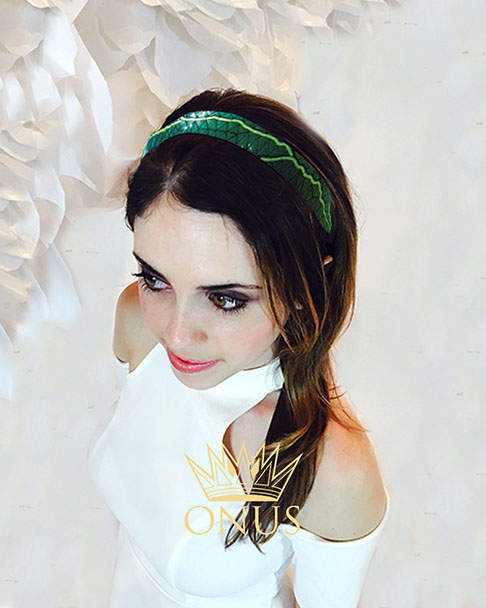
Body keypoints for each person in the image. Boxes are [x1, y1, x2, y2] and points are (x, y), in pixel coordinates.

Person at [89, 87, 391, 607]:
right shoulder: (137, 320)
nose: (177, 335)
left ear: (309, 285)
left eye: (226, 300)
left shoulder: (331, 468)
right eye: (155, 278)